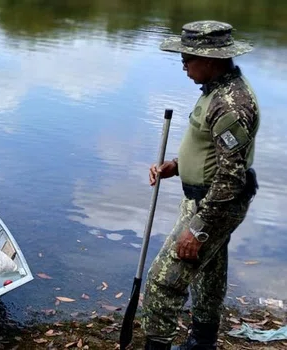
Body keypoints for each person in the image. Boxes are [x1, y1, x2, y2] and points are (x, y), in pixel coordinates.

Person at [141, 21, 260, 350]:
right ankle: (202, 343)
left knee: (163, 283)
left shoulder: (231, 105)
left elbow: (230, 176)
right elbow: (214, 152)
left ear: (210, 60)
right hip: (205, 199)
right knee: (207, 274)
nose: (182, 64)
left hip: (213, 206)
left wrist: (200, 228)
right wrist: (177, 167)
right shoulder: (215, 90)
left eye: (187, 57)